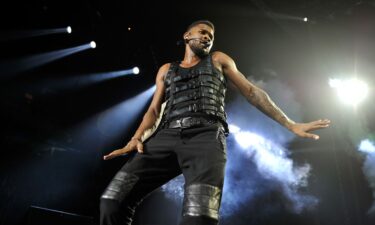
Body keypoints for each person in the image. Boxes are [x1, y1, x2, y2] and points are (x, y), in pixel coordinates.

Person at [99, 20, 330, 225]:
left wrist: (290, 123)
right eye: (203, 32)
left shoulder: (219, 59)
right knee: (112, 201)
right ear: (187, 36)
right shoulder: (166, 70)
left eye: (211, 35)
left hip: (206, 137)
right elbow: (153, 110)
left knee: (200, 217)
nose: (208, 36)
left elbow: (252, 92)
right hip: (166, 136)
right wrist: (137, 138)